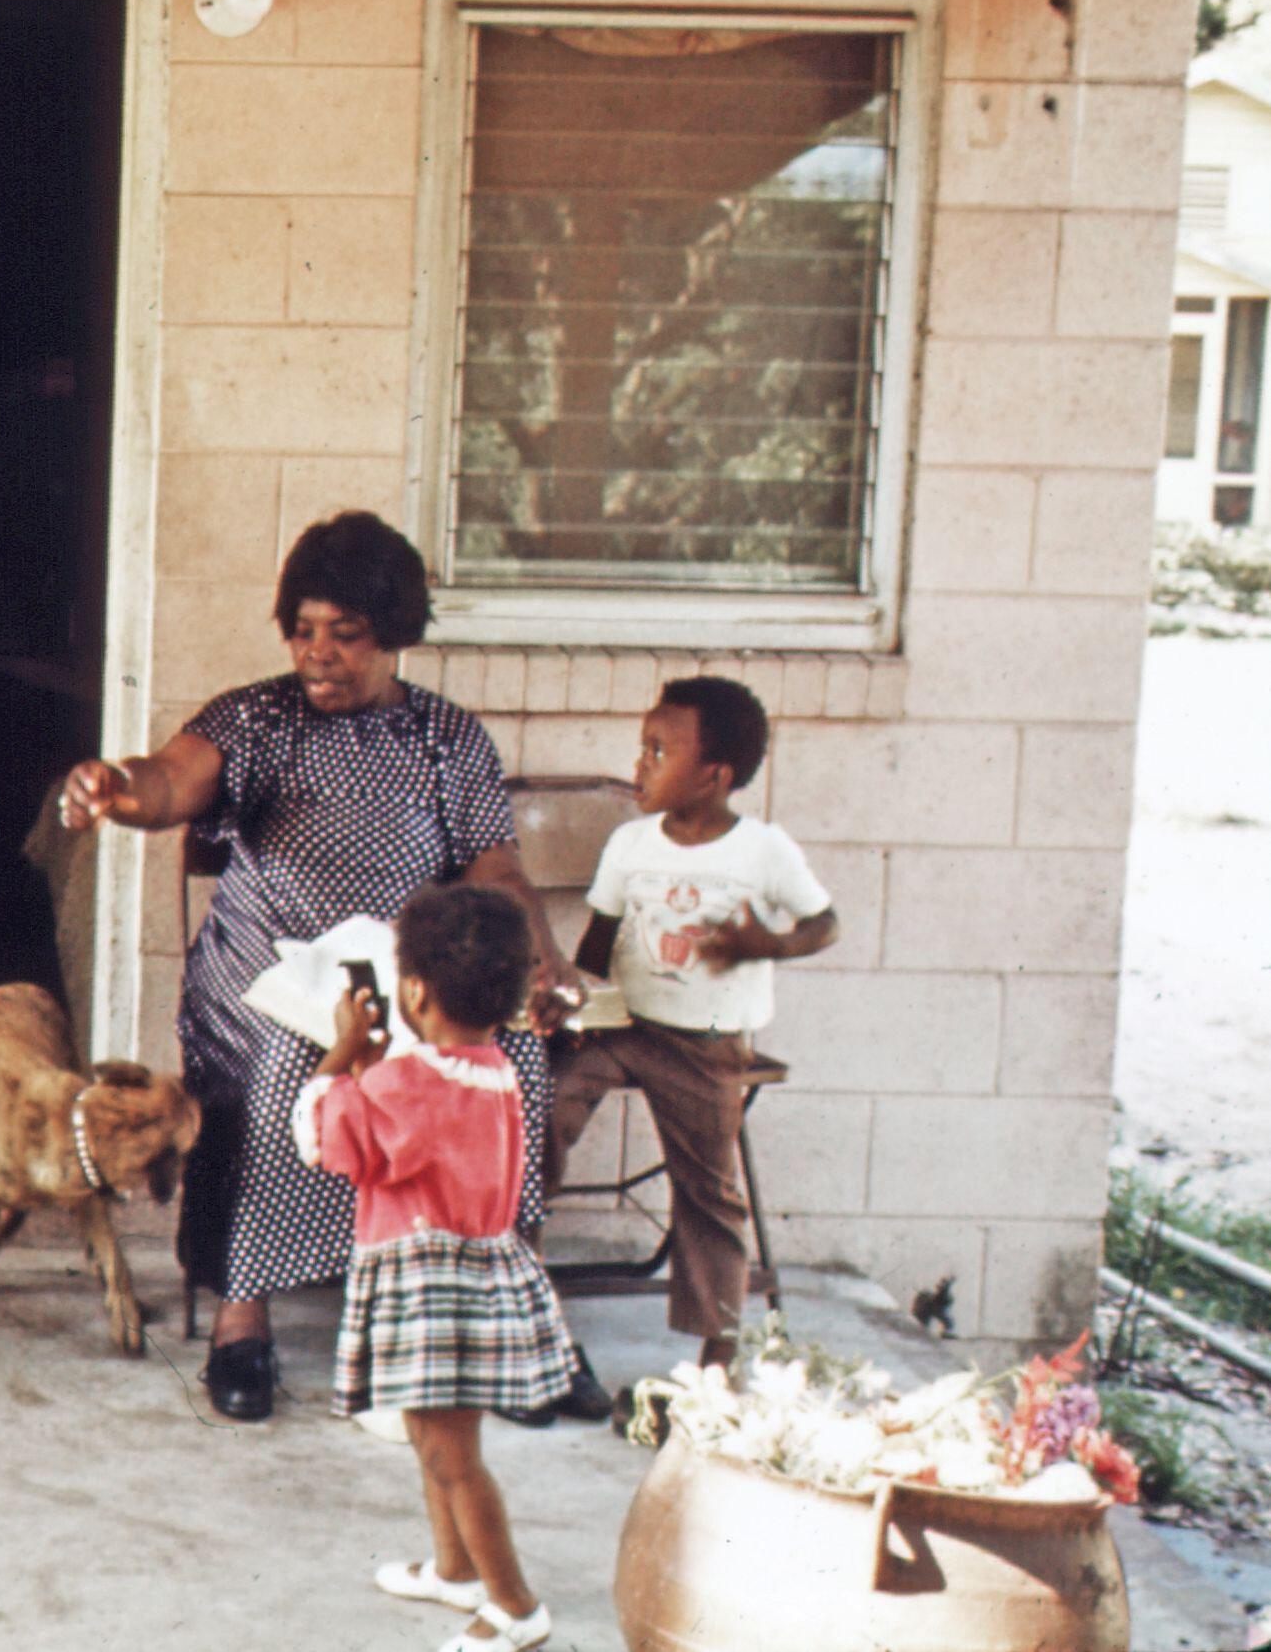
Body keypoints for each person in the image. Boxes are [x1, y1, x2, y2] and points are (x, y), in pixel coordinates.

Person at [57, 511, 585, 1423]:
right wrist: (117, 787)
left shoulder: (446, 739)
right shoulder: (258, 717)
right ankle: (242, 1322)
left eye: (346, 635)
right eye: (303, 631)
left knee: (516, 1064)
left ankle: (511, 1325)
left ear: (395, 635)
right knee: (286, 1065)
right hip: (271, 973)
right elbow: (174, 779)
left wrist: (540, 960)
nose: (320, 655)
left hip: (404, 976)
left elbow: (496, 868)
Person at [304, 883, 571, 1652]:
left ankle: (517, 1606)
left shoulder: (403, 1084)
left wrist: (342, 1053)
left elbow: (323, 1139)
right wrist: (385, 1061)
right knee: (435, 1441)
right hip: (472, 1278)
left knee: (454, 1458)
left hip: (432, 1290)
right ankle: (455, 1570)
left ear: (413, 991)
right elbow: (419, 1120)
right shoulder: (492, 1067)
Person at [556, 675, 838, 1375]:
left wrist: (769, 945)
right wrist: (574, 1004)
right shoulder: (630, 842)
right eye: (641, 746)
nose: (641, 764)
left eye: (659, 749)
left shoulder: (762, 850)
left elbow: (823, 922)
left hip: (704, 1044)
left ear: (714, 775)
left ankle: (719, 1339)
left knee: (708, 1186)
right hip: (621, 1026)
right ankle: (519, 1273)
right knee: (543, 1108)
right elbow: (601, 934)